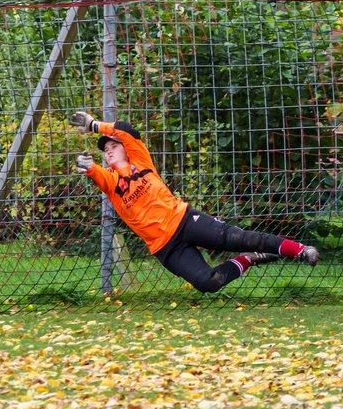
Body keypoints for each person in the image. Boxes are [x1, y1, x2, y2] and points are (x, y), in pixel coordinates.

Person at [69, 111, 318, 293]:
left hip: (185, 220)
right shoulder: (111, 181)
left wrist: (94, 125)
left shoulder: (141, 162)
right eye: (106, 150)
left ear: (127, 150)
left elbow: (126, 130)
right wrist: (87, 166)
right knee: (208, 283)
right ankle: (249, 258)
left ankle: (300, 250)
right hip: (165, 247)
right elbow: (94, 172)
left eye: (114, 146)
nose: (109, 150)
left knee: (242, 238)